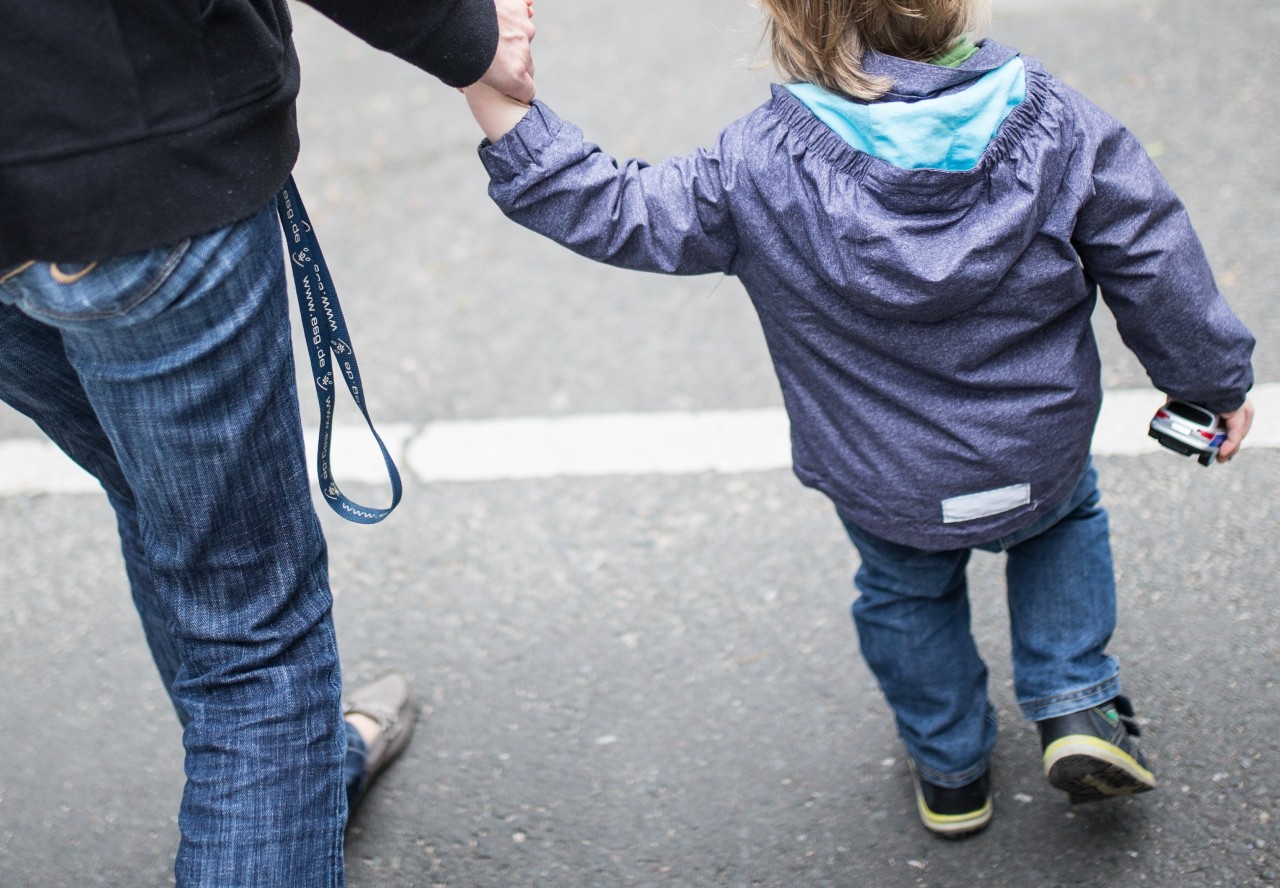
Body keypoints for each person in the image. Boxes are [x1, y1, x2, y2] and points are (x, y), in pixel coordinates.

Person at [462, 0, 1256, 838]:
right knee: (1060, 531)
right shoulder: (1061, 124)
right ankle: (1076, 705)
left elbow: (615, 206)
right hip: (1038, 450)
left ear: (792, 22)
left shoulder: (754, 167)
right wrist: (1211, 382)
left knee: (905, 592)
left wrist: (485, 78)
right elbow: (1153, 256)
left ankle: (952, 769)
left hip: (884, 475)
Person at [0, 1, 533, 884]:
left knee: (157, 500)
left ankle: (298, 781)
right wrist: (467, 36)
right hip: (126, 151)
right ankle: (280, 783)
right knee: (252, 649)